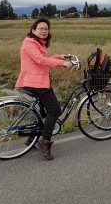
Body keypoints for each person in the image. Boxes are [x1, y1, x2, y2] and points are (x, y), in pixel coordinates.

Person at [15, 17, 73, 160]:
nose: (43, 31)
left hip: (36, 81)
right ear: (33, 30)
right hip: (36, 82)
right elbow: (41, 60)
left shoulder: (36, 43)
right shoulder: (29, 43)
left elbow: (40, 59)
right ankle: (45, 141)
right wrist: (62, 63)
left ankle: (31, 139)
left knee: (43, 113)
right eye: (40, 28)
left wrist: (59, 57)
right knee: (54, 110)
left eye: (46, 29)